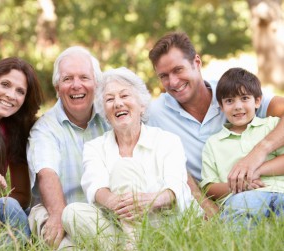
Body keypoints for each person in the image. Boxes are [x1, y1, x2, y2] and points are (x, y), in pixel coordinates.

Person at [147, 31, 284, 218]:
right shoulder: (155, 113)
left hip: (271, 187)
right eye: (164, 76)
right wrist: (205, 206)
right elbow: (167, 165)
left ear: (197, 62)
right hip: (226, 197)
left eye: (178, 70)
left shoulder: (233, 93)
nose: (173, 82)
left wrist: (258, 153)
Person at [62, 67, 197, 249]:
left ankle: (131, 244)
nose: (118, 103)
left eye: (124, 96)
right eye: (110, 99)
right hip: (117, 225)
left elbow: (176, 187)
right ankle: (134, 243)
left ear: (142, 105)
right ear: (105, 113)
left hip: (162, 224)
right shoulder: (94, 147)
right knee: (72, 213)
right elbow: (95, 186)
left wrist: (149, 201)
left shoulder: (168, 141)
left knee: (124, 168)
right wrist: (119, 204)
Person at [27, 46, 109, 249]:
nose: (76, 85)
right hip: (57, 210)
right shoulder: (45, 128)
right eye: (67, 79)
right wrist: (58, 215)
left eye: (84, 77)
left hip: (103, 212)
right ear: (57, 87)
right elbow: (47, 173)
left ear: (96, 84)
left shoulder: (111, 117)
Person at [200, 67, 284, 226]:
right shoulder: (214, 143)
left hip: (281, 190)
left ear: (258, 101)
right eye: (229, 101)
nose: (237, 106)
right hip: (244, 197)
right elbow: (210, 187)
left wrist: (257, 171)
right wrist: (239, 186)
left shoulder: (272, 126)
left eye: (244, 98)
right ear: (221, 105)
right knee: (239, 211)